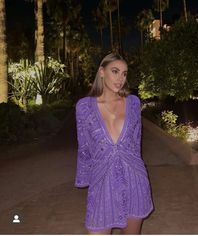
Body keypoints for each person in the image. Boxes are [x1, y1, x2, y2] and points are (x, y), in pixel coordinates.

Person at [74, 53, 154, 234]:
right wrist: (85, 177)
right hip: (102, 181)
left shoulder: (133, 103)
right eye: (115, 71)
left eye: (124, 74)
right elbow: (84, 147)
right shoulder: (84, 107)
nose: (120, 78)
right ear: (102, 72)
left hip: (134, 179)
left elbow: (136, 142)